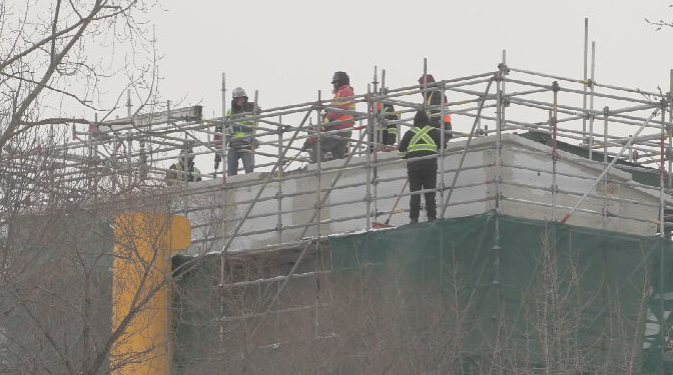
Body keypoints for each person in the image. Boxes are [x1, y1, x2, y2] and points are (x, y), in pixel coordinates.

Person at [398, 111, 441, 224]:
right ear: (427, 120)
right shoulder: (434, 132)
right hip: (430, 166)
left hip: (414, 167)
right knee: (430, 193)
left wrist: (410, 156)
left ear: (415, 121)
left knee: (415, 193)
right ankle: (432, 218)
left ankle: (413, 219)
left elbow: (401, 152)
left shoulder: (409, 133)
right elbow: (443, 149)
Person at [309, 71, 355, 163]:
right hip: (344, 128)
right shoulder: (340, 93)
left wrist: (327, 119)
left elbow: (341, 108)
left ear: (341, 81)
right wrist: (326, 110)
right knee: (338, 157)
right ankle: (336, 175)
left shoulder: (346, 90)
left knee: (318, 146)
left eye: (335, 82)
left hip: (339, 127)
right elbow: (335, 107)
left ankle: (318, 171)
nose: (334, 84)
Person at [215, 87, 257, 176]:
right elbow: (225, 127)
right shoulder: (230, 111)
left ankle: (249, 185)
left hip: (247, 143)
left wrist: (238, 127)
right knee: (231, 171)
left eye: (242, 98)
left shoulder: (250, 110)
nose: (241, 100)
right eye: (238, 99)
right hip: (234, 143)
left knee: (249, 170)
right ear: (235, 99)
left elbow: (254, 125)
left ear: (245, 99)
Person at [418, 74, 453, 148]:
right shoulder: (429, 98)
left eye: (422, 86)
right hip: (437, 128)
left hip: (442, 128)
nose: (421, 89)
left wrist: (425, 130)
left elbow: (436, 115)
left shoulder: (436, 94)